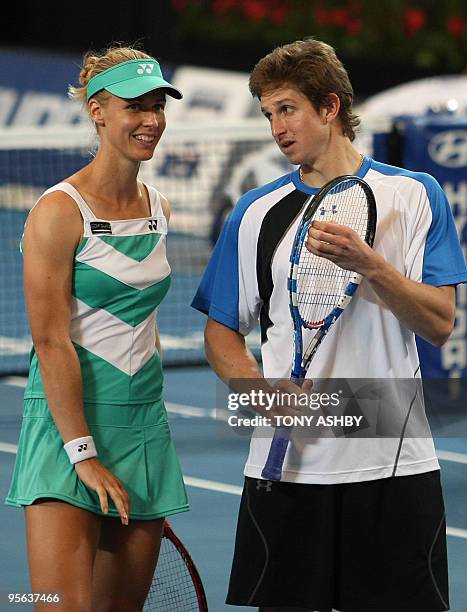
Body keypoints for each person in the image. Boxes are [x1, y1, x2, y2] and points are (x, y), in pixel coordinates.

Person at [192, 38, 467, 612]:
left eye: (287, 108)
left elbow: (441, 324)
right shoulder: (254, 213)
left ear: (331, 106)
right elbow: (221, 333)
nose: (276, 128)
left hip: (393, 458)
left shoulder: (416, 196)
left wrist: (371, 266)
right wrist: (256, 392)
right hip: (288, 465)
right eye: (268, 114)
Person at [5, 45, 188, 611]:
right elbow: (50, 340)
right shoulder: (58, 212)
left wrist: (147, 415)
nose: (151, 120)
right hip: (68, 430)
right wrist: (82, 453)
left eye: (157, 104)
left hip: (143, 431)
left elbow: (144, 321)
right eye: (136, 106)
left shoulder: (159, 205)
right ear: (97, 109)